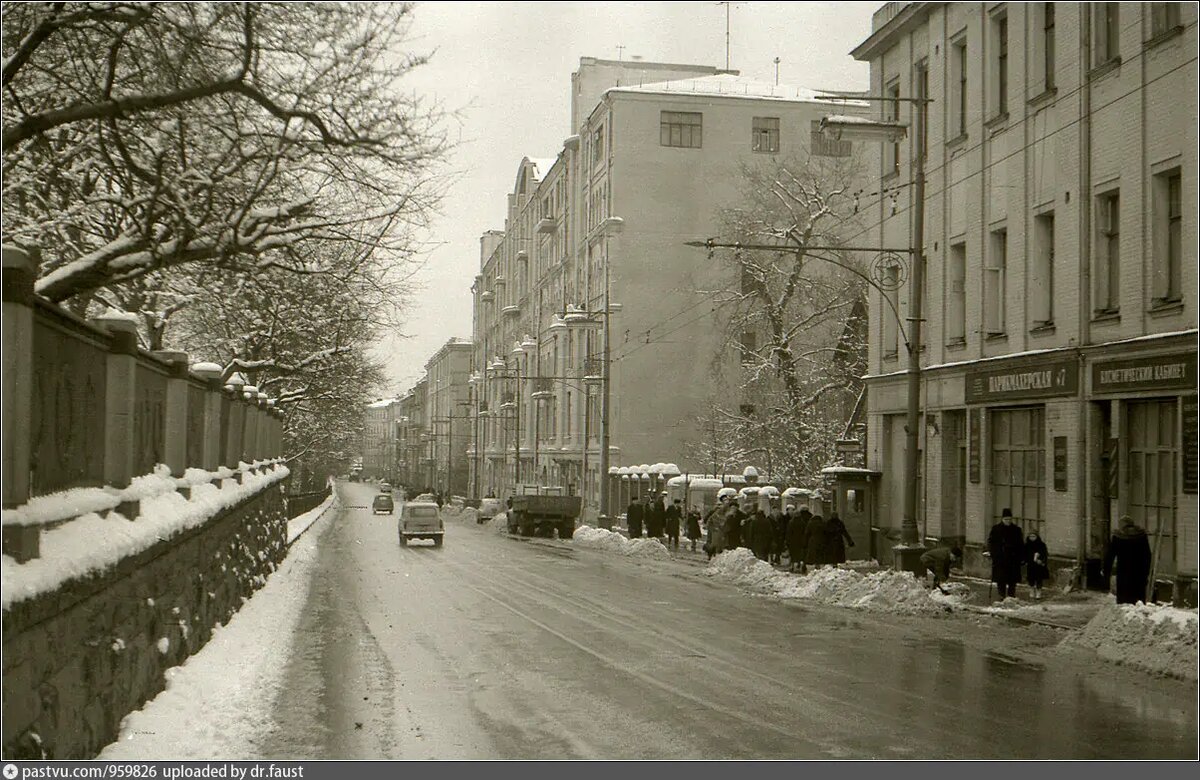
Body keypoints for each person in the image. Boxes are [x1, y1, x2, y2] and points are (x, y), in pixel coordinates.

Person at [1103, 515, 1152, 605]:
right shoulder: (1141, 536)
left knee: (1124, 601)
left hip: (1123, 573)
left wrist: (1106, 572)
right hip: (1139, 573)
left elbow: (1110, 556)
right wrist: (1146, 572)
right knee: (1138, 601)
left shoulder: (1118, 537)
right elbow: (1147, 555)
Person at [987, 508, 1024, 600]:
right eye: (1006, 519)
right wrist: (994, 554)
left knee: (1012, 580)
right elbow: (991, 542)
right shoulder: (996, 529)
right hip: (1001, 558)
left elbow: (1021, 544)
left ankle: (1011, 596)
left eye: (1009, 519)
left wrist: (1021, 557)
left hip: (1013, 559)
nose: (1008, 521)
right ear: (1002, 519)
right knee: (1001, 579)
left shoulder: (1016, 530)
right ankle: (1001, 595)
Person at [1023, 531, 1050, 600]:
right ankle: (1032, 590)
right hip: (1031, 564)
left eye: (1034, 536)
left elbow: (1044, 554)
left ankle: (1038, 592)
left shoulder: (1041, 545)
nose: (1032, 538)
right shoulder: (1027, 545)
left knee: (1039, 579)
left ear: (1037, 537)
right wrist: (1026, 561)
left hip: (1039, 565)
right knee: (1031, 578)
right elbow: (1024, 554)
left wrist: (1041, 560)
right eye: (1030, 536)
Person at [786, 507, 810, 572]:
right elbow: (805, 532)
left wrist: (787, 541)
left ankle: (792, 566)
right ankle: (801, 565)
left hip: (793, 542)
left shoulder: (791, 523)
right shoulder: (802, 523)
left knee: (793, 555)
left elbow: (788, 533)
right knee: (801, 554)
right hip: (800, 541)